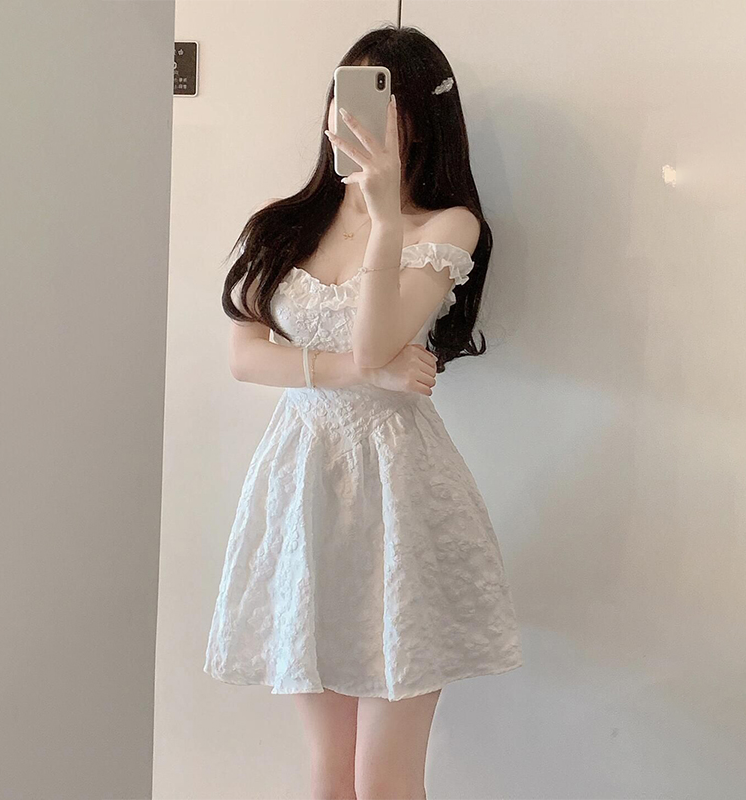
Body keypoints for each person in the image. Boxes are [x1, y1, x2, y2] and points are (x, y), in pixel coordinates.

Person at [204, 25, 523, 800]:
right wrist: (361, 373)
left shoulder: (447, 225)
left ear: (423, 119)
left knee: (383, 778)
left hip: (398, 489)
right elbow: (246, 356)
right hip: (302, 482)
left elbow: (378, 338)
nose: (361, 119)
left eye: (387, 102)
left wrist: (383, 222)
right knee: (327, 772)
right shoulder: (284, 223)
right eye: (349, 94)